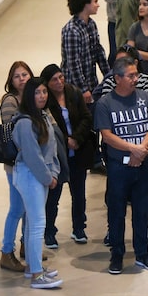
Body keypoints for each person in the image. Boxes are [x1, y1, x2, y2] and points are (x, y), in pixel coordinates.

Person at [95, 56, 148, 275]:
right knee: (117, 211)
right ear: (117, 79)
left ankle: (142, 253)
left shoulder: (145, 98)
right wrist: (132, 149)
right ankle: (117, 254)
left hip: (142, 163)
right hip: (118, 166)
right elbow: (106, 135)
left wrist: (141, 149)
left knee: (142, 210)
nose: (136, 79)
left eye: (136, 74)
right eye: (131, 75)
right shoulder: (105, 103)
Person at [12, 77, 62, 289]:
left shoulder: (41, 116)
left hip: (39, 176)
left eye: (44, 92)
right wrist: (48, 177)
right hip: (30, 176)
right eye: (37, 93)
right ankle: (36, 275)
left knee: (33, 224)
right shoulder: (25, 122)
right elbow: (32, 156)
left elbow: (51, 148)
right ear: (29, 97)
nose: (42, 96)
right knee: (37, 225)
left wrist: (54, 172)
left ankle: (32, 267)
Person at [40, 64, 94, 249]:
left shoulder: (73, 93)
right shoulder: (45, 101)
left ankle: (79, 228)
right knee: (53, 196)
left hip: (77, 152)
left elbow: (87, 117)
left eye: (61, 77)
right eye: (54, 79)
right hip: (58, 155)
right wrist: (65, 140)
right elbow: (47, 128)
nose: (59, 82)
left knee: (79, 194)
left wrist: (76, 139)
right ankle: (49, 231)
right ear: (47, 83)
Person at [0, 61, 34, 272]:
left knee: (29, 209)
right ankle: (6, 251)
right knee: (17, 208)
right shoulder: (10, 101)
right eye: (17, 76)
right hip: (15, 164)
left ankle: (26, 246)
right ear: (11, 81)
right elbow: (11, 131)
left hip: (30, 163)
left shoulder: (33, 96)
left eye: (25, 74)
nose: (22, 78)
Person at [61, 0, 110, 105]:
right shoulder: (71, 31)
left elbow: (98, 52)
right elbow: (73, 63)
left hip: (91, 82)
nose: (98, 5)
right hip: (75, 88)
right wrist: (83, 89)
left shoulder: (91, 24)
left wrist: (109, 76)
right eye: (95, 1)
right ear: (85, 4)